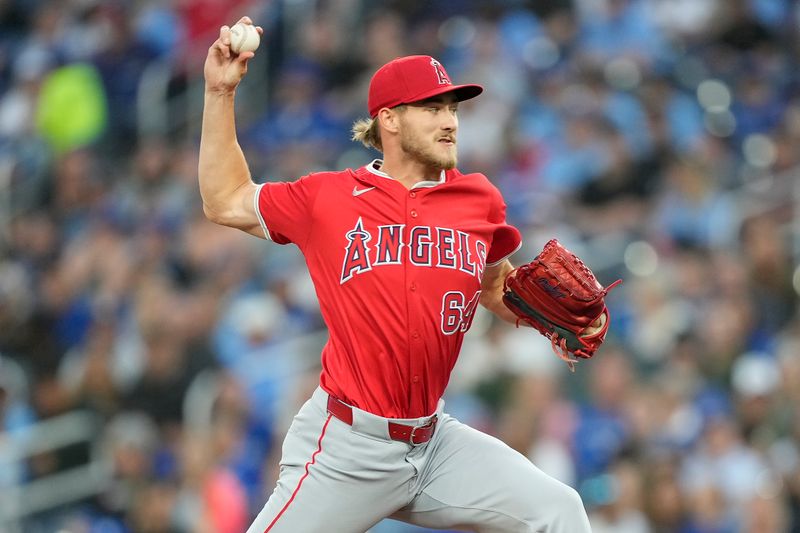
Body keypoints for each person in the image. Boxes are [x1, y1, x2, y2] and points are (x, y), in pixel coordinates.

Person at [199, 16, 595, 533]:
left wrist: (550, 317)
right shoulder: (329, 198)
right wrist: (218, 93)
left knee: (560, 511)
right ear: (389, 119)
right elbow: (225, 199)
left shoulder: (480, 201)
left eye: (452, 107)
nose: (449, 120)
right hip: (347, 449)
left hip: (434, 445)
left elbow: (494, 284)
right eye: (431, 108)